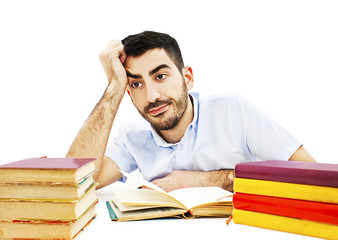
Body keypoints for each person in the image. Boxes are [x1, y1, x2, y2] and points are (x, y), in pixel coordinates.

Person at [67, 31, 315, 192]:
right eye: (136, 84)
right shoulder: (132, 137)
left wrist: (205, 180)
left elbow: (312, 175)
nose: (152, 96)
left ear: (188, 78)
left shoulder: (233, 111)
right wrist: (113, 88)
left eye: (161, 76)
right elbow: (73, 182)